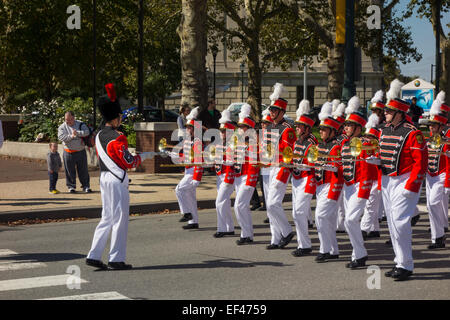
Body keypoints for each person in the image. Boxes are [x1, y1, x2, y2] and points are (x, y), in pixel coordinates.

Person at [367, 79, 427, 281]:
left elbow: (421, 162)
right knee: (392, 223)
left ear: (400, 114)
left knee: (400, 222)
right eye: (386, 112)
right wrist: (374, 160)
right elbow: (384, 155)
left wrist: (412, 186)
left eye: (389, 112)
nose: (385, 114)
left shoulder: (413, 133)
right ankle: (400, 262)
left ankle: (407, 264)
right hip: (388, 180)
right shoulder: (384, 131)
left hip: (405, 180)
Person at [86, 83, 147, 271]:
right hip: (117, 179)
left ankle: (94, 254)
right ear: (115, 117)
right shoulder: (117, 136)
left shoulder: (98, 135)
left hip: (104, 177)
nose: (121, 119)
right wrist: (141, 157)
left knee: (107, 217)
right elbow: (128, 161)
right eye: (120, 116)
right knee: (120, 218)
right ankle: (116, 258)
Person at [340, 96, 377, 269]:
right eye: (346, 125)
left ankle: (361, 253)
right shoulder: (345, 144)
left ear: (358, 128)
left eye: (349, 125)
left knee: (350, 220)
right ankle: (358, 254)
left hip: (359, 186)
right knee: (350, 221)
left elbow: (368, 171)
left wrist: (363, 191)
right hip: (348, 186)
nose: (345, 128)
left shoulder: (365, 143)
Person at [265, 83, 297, 250]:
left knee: (272, 203)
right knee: (270, 205)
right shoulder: (271, 127)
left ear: (282, 112)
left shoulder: (287, 129)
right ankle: (276, 239)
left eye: (274, 110)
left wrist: (283, 170)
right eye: (270, 110)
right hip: (272, 167)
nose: (271, 113)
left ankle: (286, 231)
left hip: (282, 168)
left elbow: (288, 154)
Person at [314, 102, 343, 263]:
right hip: (320, 186)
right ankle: (333, 250)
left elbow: (338, 168)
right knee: (329, 219)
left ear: (332, 131)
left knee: (321, 216)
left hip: (332, 185)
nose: (321, 132)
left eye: (324, 130)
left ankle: (324, 249)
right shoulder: (320, 146)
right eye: (320, 129)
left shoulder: (336, 147)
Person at [290, 99, 317, 257]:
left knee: (299, 212)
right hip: (296, 178)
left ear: (307, 128)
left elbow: (312, 163)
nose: (297, 128)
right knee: (296, 212)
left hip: (307, 178)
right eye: (297, 126)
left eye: (300, 126)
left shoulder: (312, 142)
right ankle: (303, 244)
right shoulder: (297, 141)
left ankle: (305, 245)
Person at [233, 104, 260, 245]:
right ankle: (247, 234)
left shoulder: (254, 143)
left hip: (247, 178)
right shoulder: (239, 141)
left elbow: (254, 165)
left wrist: (251, 181)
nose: (240, 129)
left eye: (242, 127)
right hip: (238, 177)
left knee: (239, 205)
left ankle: (246, 234)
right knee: (242, 207)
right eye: (240, 126)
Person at [425, 91, 448, 249]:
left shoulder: (447, 140)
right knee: (430, 205)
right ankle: (437, 237)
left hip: (441, 175)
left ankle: (439, 234)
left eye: (433, 125)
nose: (431, 128)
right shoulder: (429, 139)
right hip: (429, 176)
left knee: (434, 203)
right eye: (430, 125)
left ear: (440, 126)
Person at [175, 107, 204, 229]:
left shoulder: (197, 142)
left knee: (179, 189)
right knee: (190, 196)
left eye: (189, 127)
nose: (187, 129)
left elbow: (199, 161)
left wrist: (197, 177)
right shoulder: (189, 141)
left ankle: (186, 213)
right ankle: (193, 222)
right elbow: (185, 157)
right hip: (188, 170)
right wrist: (173, 154)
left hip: (193, 172)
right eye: (187, 127)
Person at [213, 106, 236, 238]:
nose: (221, 133)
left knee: (219, 202)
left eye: (224, 130)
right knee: (225, 202)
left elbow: (232, 162)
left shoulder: (233, 145)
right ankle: (229, 227)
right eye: (221, 130)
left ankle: (221, 228)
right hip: (219, 175)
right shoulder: (219, 143)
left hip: (229, 176)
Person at [360, 114, 382, 240]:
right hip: (368, 179)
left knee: (371, 205)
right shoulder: (364, 147)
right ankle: (374, 229)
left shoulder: (378, 148)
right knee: (371, 204)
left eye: (370, 137)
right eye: (366, 136)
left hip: (375, 179)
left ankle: (364, 228)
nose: (366, 139)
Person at [58, 111, 91, 193]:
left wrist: (78, 133)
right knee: (69, 170)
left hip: (81, 151)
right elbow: (61, 137)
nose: (67, 121)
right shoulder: (62, 127)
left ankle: (86, 186)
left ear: (73, 118)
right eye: (66, 119)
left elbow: (87, 132)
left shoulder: (80, 124)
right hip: (68, 152)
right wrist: (71, 136)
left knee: (83, 170)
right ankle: (71, 187)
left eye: (69, 119)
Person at [332, 102, 347, 233]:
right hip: (336, 168)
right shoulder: (336, 138)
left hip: (343, 168)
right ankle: (339, 222)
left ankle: (342, 222)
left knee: (342, 199)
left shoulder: (344, 138)